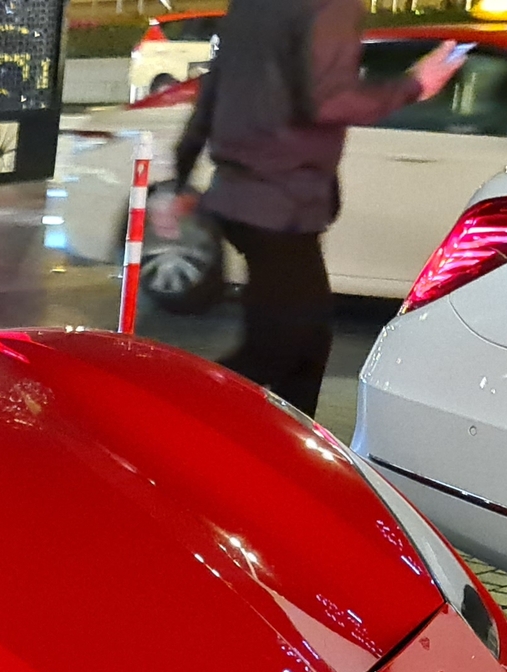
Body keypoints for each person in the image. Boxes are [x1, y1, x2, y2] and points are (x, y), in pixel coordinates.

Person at [169, 0, 463, 417]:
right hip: (279, 201)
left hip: (247, 197)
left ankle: (280, 455)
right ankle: (173, 419)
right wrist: (415, 84)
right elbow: (326, 101)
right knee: (280, 351)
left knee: (302, 345)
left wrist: (183, 171)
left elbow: (214, 89)